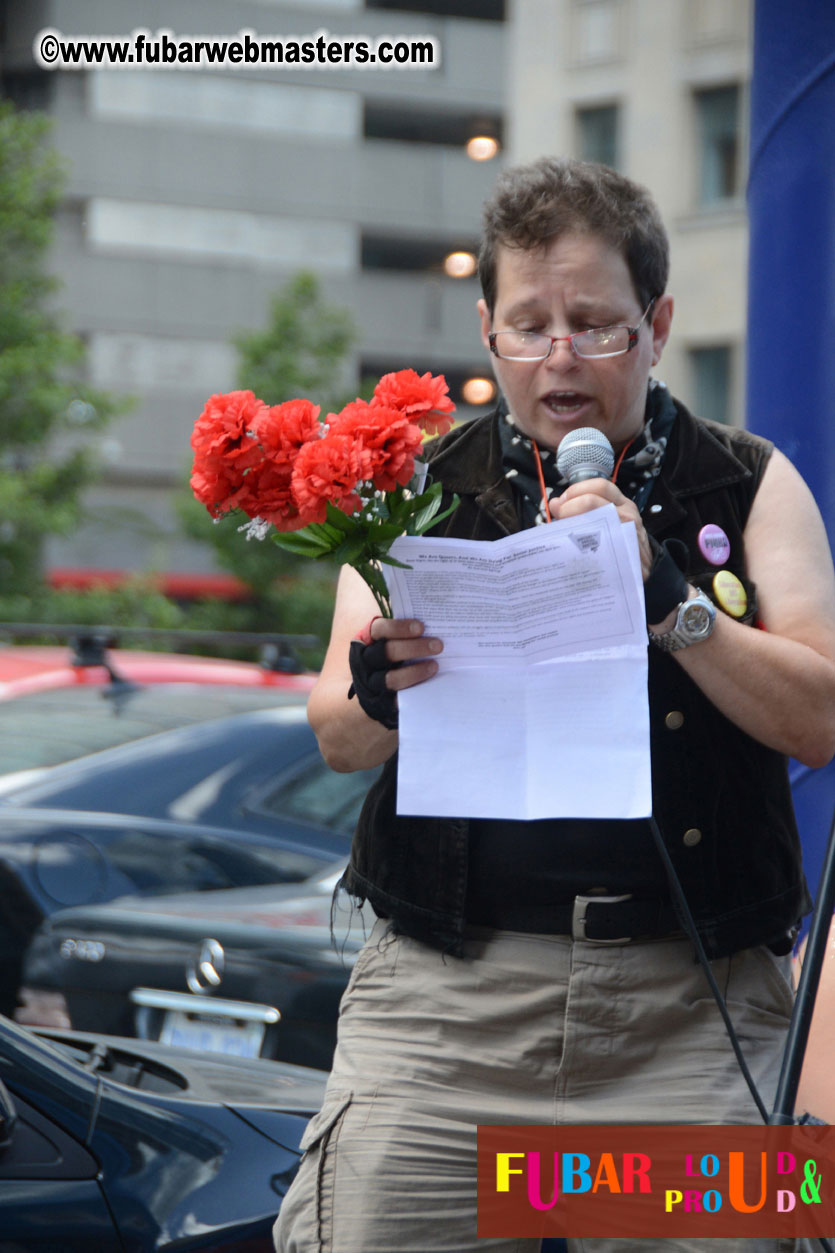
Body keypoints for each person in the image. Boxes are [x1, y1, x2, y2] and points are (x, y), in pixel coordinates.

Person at [274, 157, 835, 1253]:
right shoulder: (416, 487)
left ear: (658, 322)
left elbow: (820, 714)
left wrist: (667, 599)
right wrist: (378, 688)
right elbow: (333, 734)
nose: (560, 357)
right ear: (487, 329)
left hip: (688, 1008)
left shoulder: (749, 480)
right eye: (529, 325)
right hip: (447, 1012)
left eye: (595, 323)